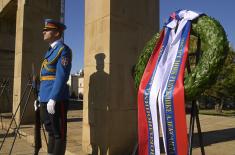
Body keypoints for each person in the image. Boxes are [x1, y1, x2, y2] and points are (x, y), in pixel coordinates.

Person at [36, 19, 72, 155]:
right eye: (44, 29)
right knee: (50, 131)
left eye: (47, 29)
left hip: (56, 98)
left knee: (59, 133)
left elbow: (62, 76)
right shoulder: (49, 51)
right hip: (45, 97)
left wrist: (54, 97)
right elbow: (44, 76)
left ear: (57, 33)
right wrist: (39, 96)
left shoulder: (64, 50)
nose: (43, 32)